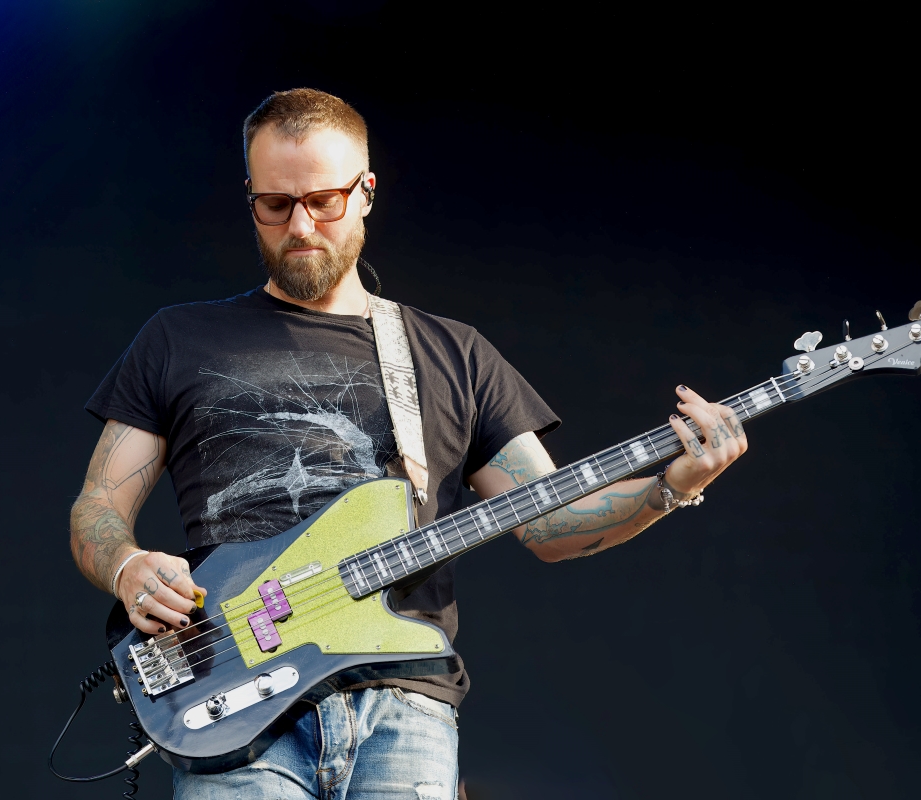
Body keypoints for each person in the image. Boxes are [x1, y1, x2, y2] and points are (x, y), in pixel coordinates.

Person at [70, 88, 747, 800]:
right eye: (275, 204)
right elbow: (96, 507)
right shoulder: (177, 340)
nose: (300, 225)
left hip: (404, 704)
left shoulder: (453, 354)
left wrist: (671, 486)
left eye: (323, 201)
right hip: (234, 698)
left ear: (366, 192)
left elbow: (551, 525)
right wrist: (127, 566)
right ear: (250, 198)